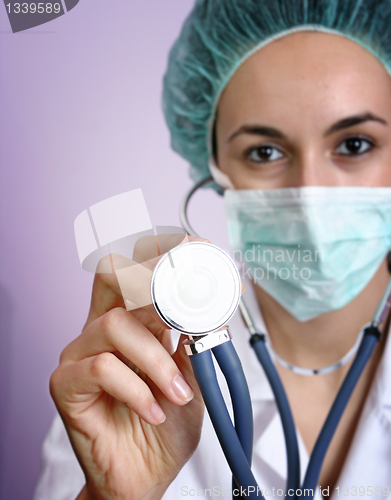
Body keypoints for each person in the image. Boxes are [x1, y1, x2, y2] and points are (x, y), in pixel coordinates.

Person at [34, 1, 391, 499]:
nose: (310, 194)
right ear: (216, 172)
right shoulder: (135, 378)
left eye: (354, 144)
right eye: (264, 152)